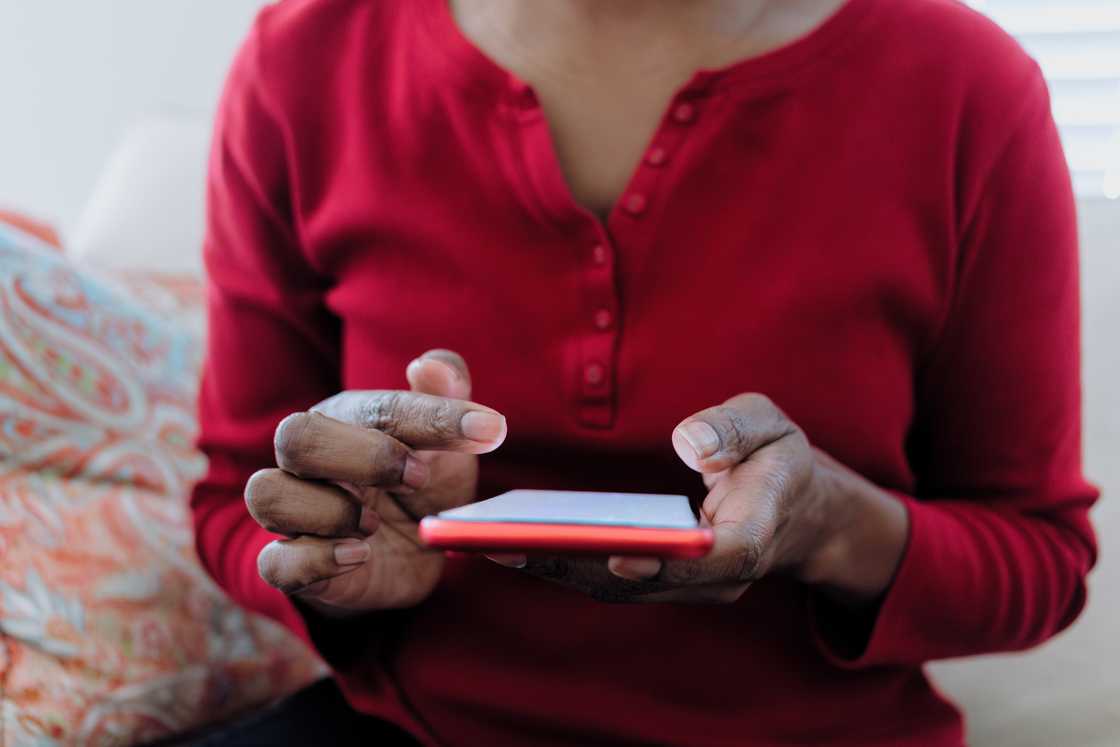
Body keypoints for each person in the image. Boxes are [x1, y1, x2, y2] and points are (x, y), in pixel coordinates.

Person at [189, 0, 1098, 744]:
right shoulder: (305, 63)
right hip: (412, 728)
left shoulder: (962, 88)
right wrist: (340, 560)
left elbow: (1041, 559)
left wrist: (829, 524)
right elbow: (235, 498)